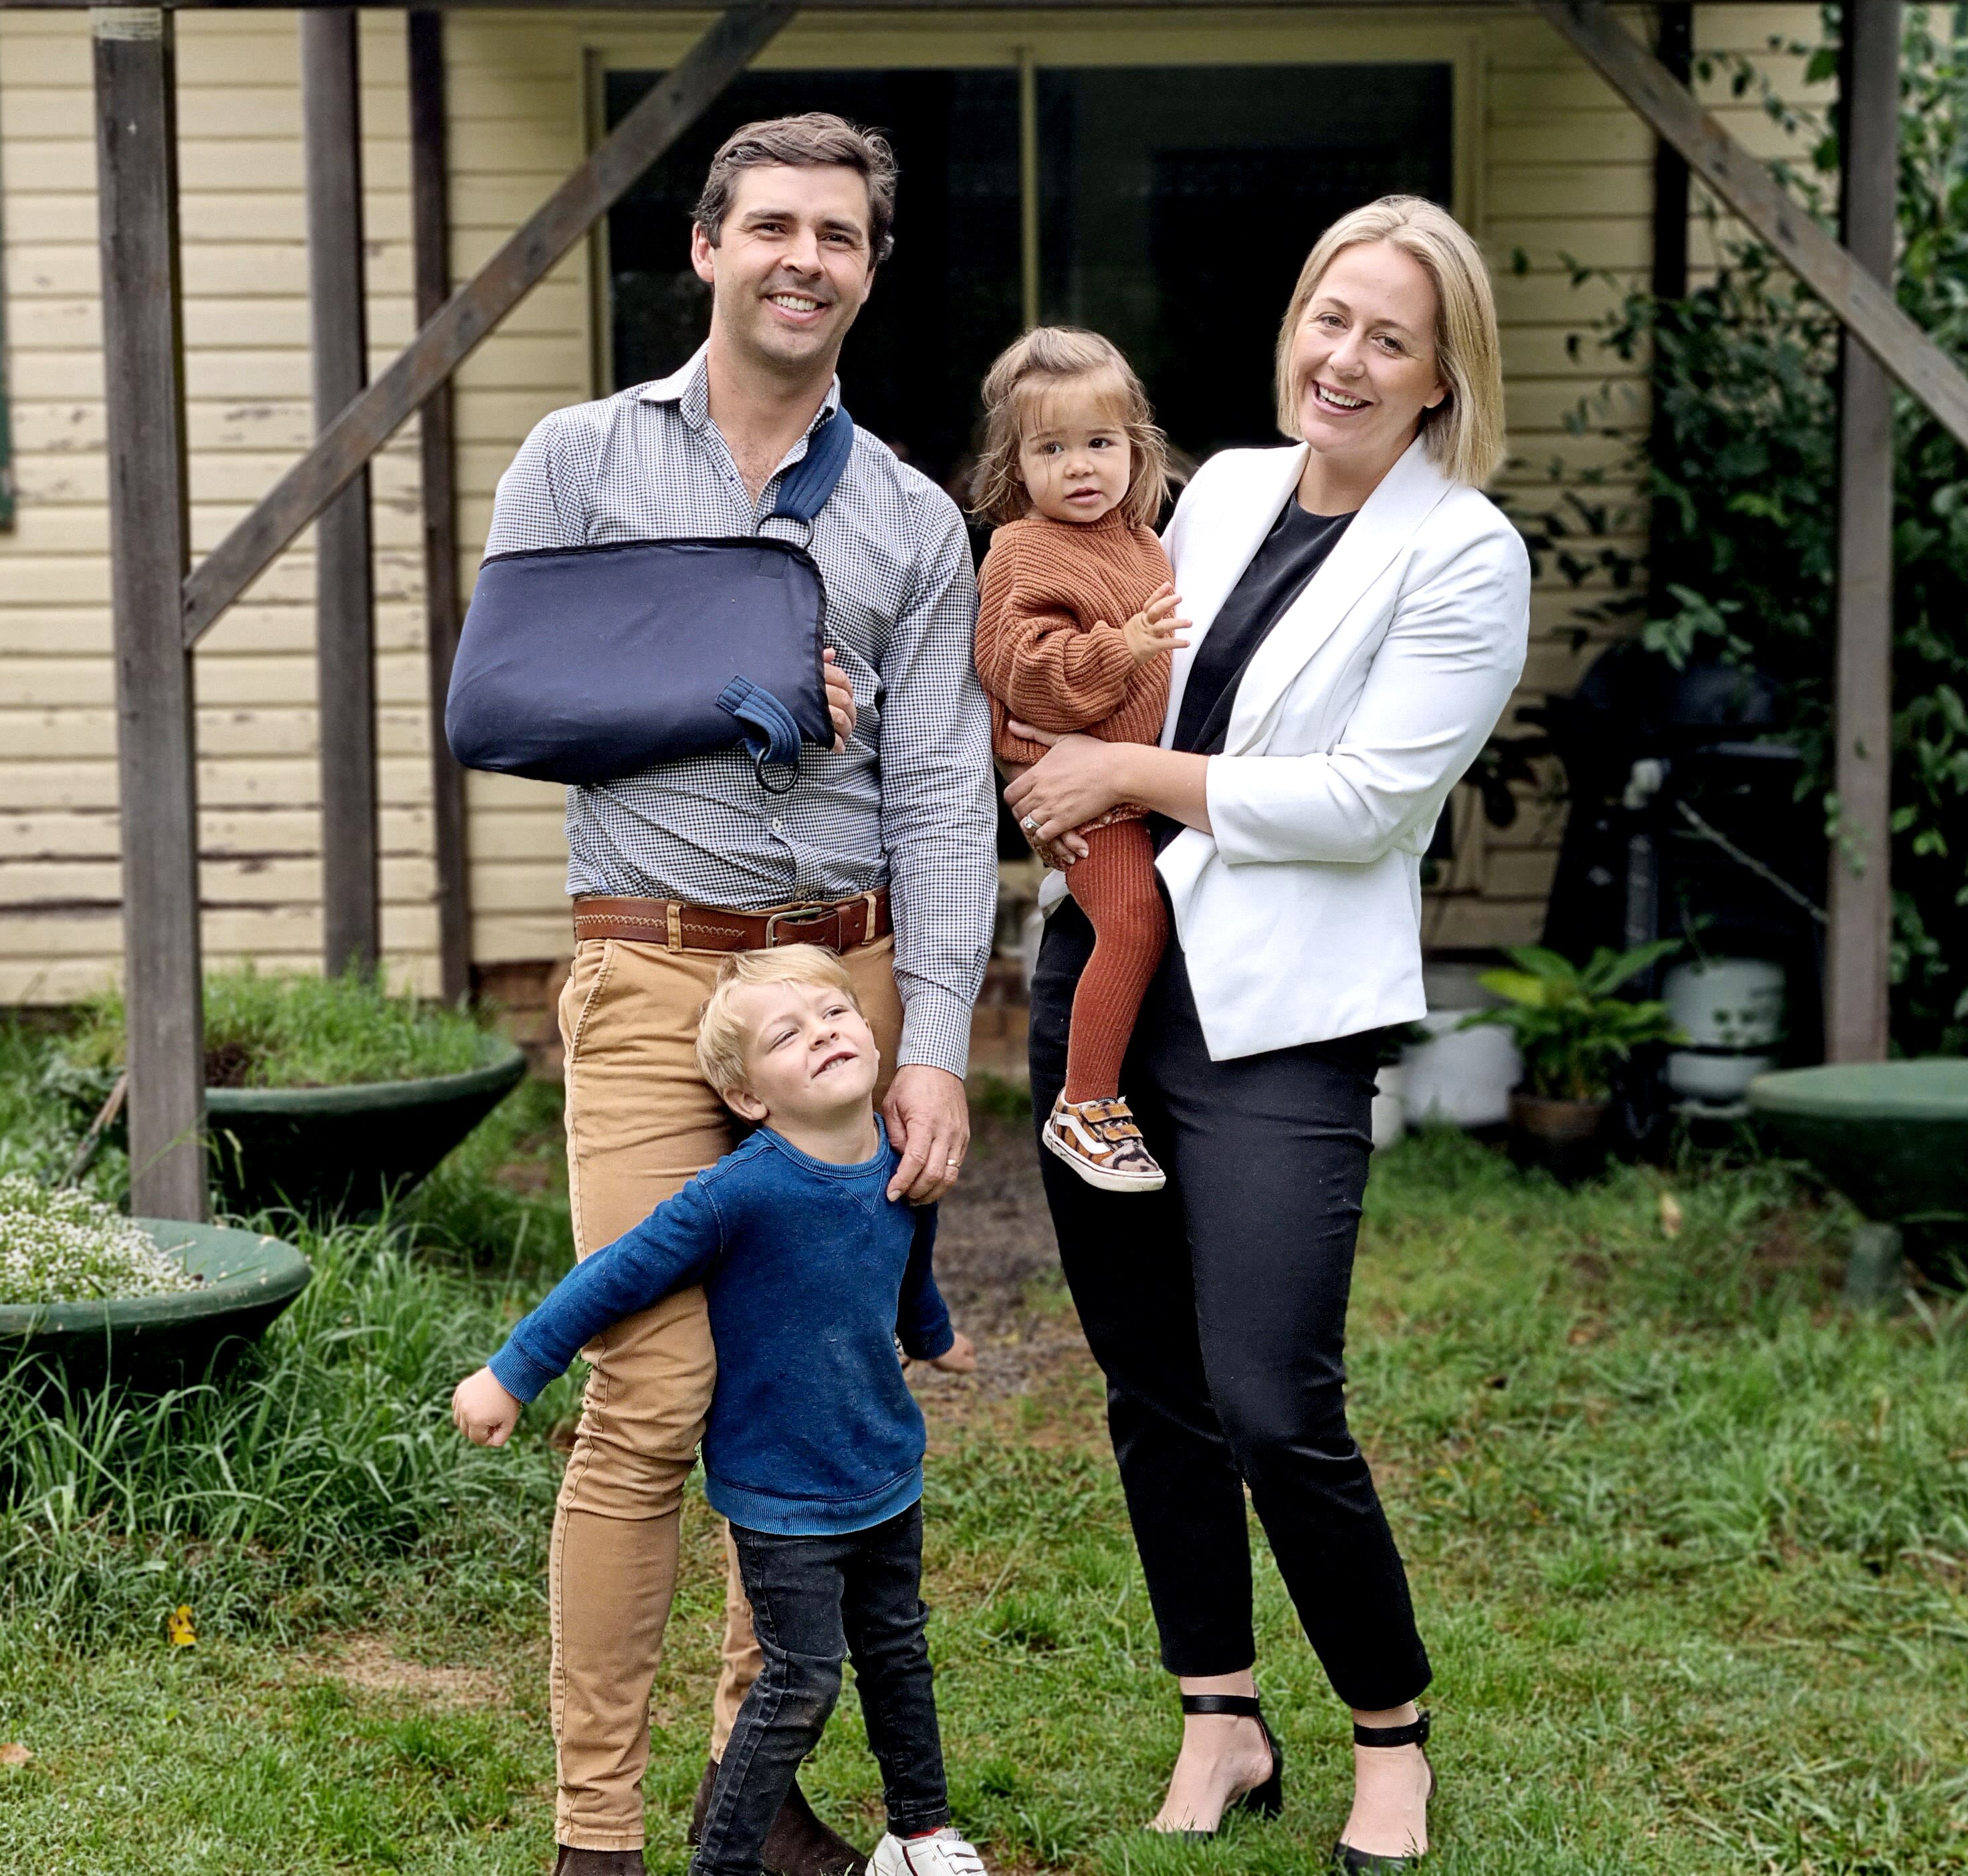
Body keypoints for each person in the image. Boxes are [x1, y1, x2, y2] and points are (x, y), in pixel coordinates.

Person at [483, 112, 998, 1876]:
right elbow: (510, 709)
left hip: (837, 981)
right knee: (651, 1398)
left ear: (868, 271)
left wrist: (936, 1043)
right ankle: (597, 1836)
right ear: (702, 247)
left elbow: (943, 788)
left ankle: (749, 1795)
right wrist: (739, 687)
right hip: (645, 972)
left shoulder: (917, 519)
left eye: (836, 235)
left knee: (790, 1393)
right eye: (767, 224)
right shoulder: (580, 460)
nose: (801, 256)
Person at [998, 195, 1531, 1871]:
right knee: (1153, 1389)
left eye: (1390, 337)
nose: (1347, 359)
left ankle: (1392, 1737)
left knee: (1271, 1394)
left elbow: (1373, 802)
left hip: (1277, 1028)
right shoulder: (1216, 488)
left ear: (1442, 377)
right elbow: (1088, 654)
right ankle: (1219, 1715)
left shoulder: (1465, 553)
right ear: (1292, 327)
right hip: (1102, 979)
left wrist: (1123, 781)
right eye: (1329, 319)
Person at [453, 947, 984, 1876]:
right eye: (789, 1032)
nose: (823, 1033)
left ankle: (920, 1833)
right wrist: (512, 1371)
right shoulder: (738, 1194)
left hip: (885, 1471)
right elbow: (613, 1277)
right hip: (781, 1498)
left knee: (899, 1655)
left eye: (834, 1013)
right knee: (803, 1681)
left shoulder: (900, 1162)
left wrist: (933, 1335)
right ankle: (727, 1861)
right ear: (748, 1099)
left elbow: (909, 1267)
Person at [968, 327, 1186, 1193]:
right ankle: (1085, 1102)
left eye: (1100, 444)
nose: (1081, 467)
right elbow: (1024, 675)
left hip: (1141, 786)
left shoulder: (1141, 542)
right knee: (1133, 924)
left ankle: (1128, 1090)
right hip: (1078, 788)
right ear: (1018, 464)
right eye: (1052, 449)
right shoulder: (1023, 550)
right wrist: (1119, 650)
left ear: (1136, 449)